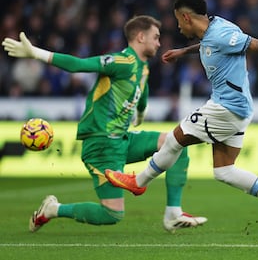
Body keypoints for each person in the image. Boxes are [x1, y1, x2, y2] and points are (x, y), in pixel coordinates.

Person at [104, 0, 258, 240]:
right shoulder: (214, 30)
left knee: (175, 139)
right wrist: (183, 52)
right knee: (224, 171)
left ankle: (138, 182)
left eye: (177, 20)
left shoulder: (222, 33)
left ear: (186, 17)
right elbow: (209, 46)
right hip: (236, 109)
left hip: (227, 108)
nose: (177, 26)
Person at [2, 15, 207, 233]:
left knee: (177, 143)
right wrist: (36, 53)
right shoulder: (121, 62)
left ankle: (173, 214)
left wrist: (140, 111)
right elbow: (78, 65)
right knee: (112, 214)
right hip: (100, 144)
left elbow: (142, 88)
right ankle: (54, 209)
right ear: (140, 37)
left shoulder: (143, 67)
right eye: (155, 38)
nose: (159, 43)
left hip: (122, 139)